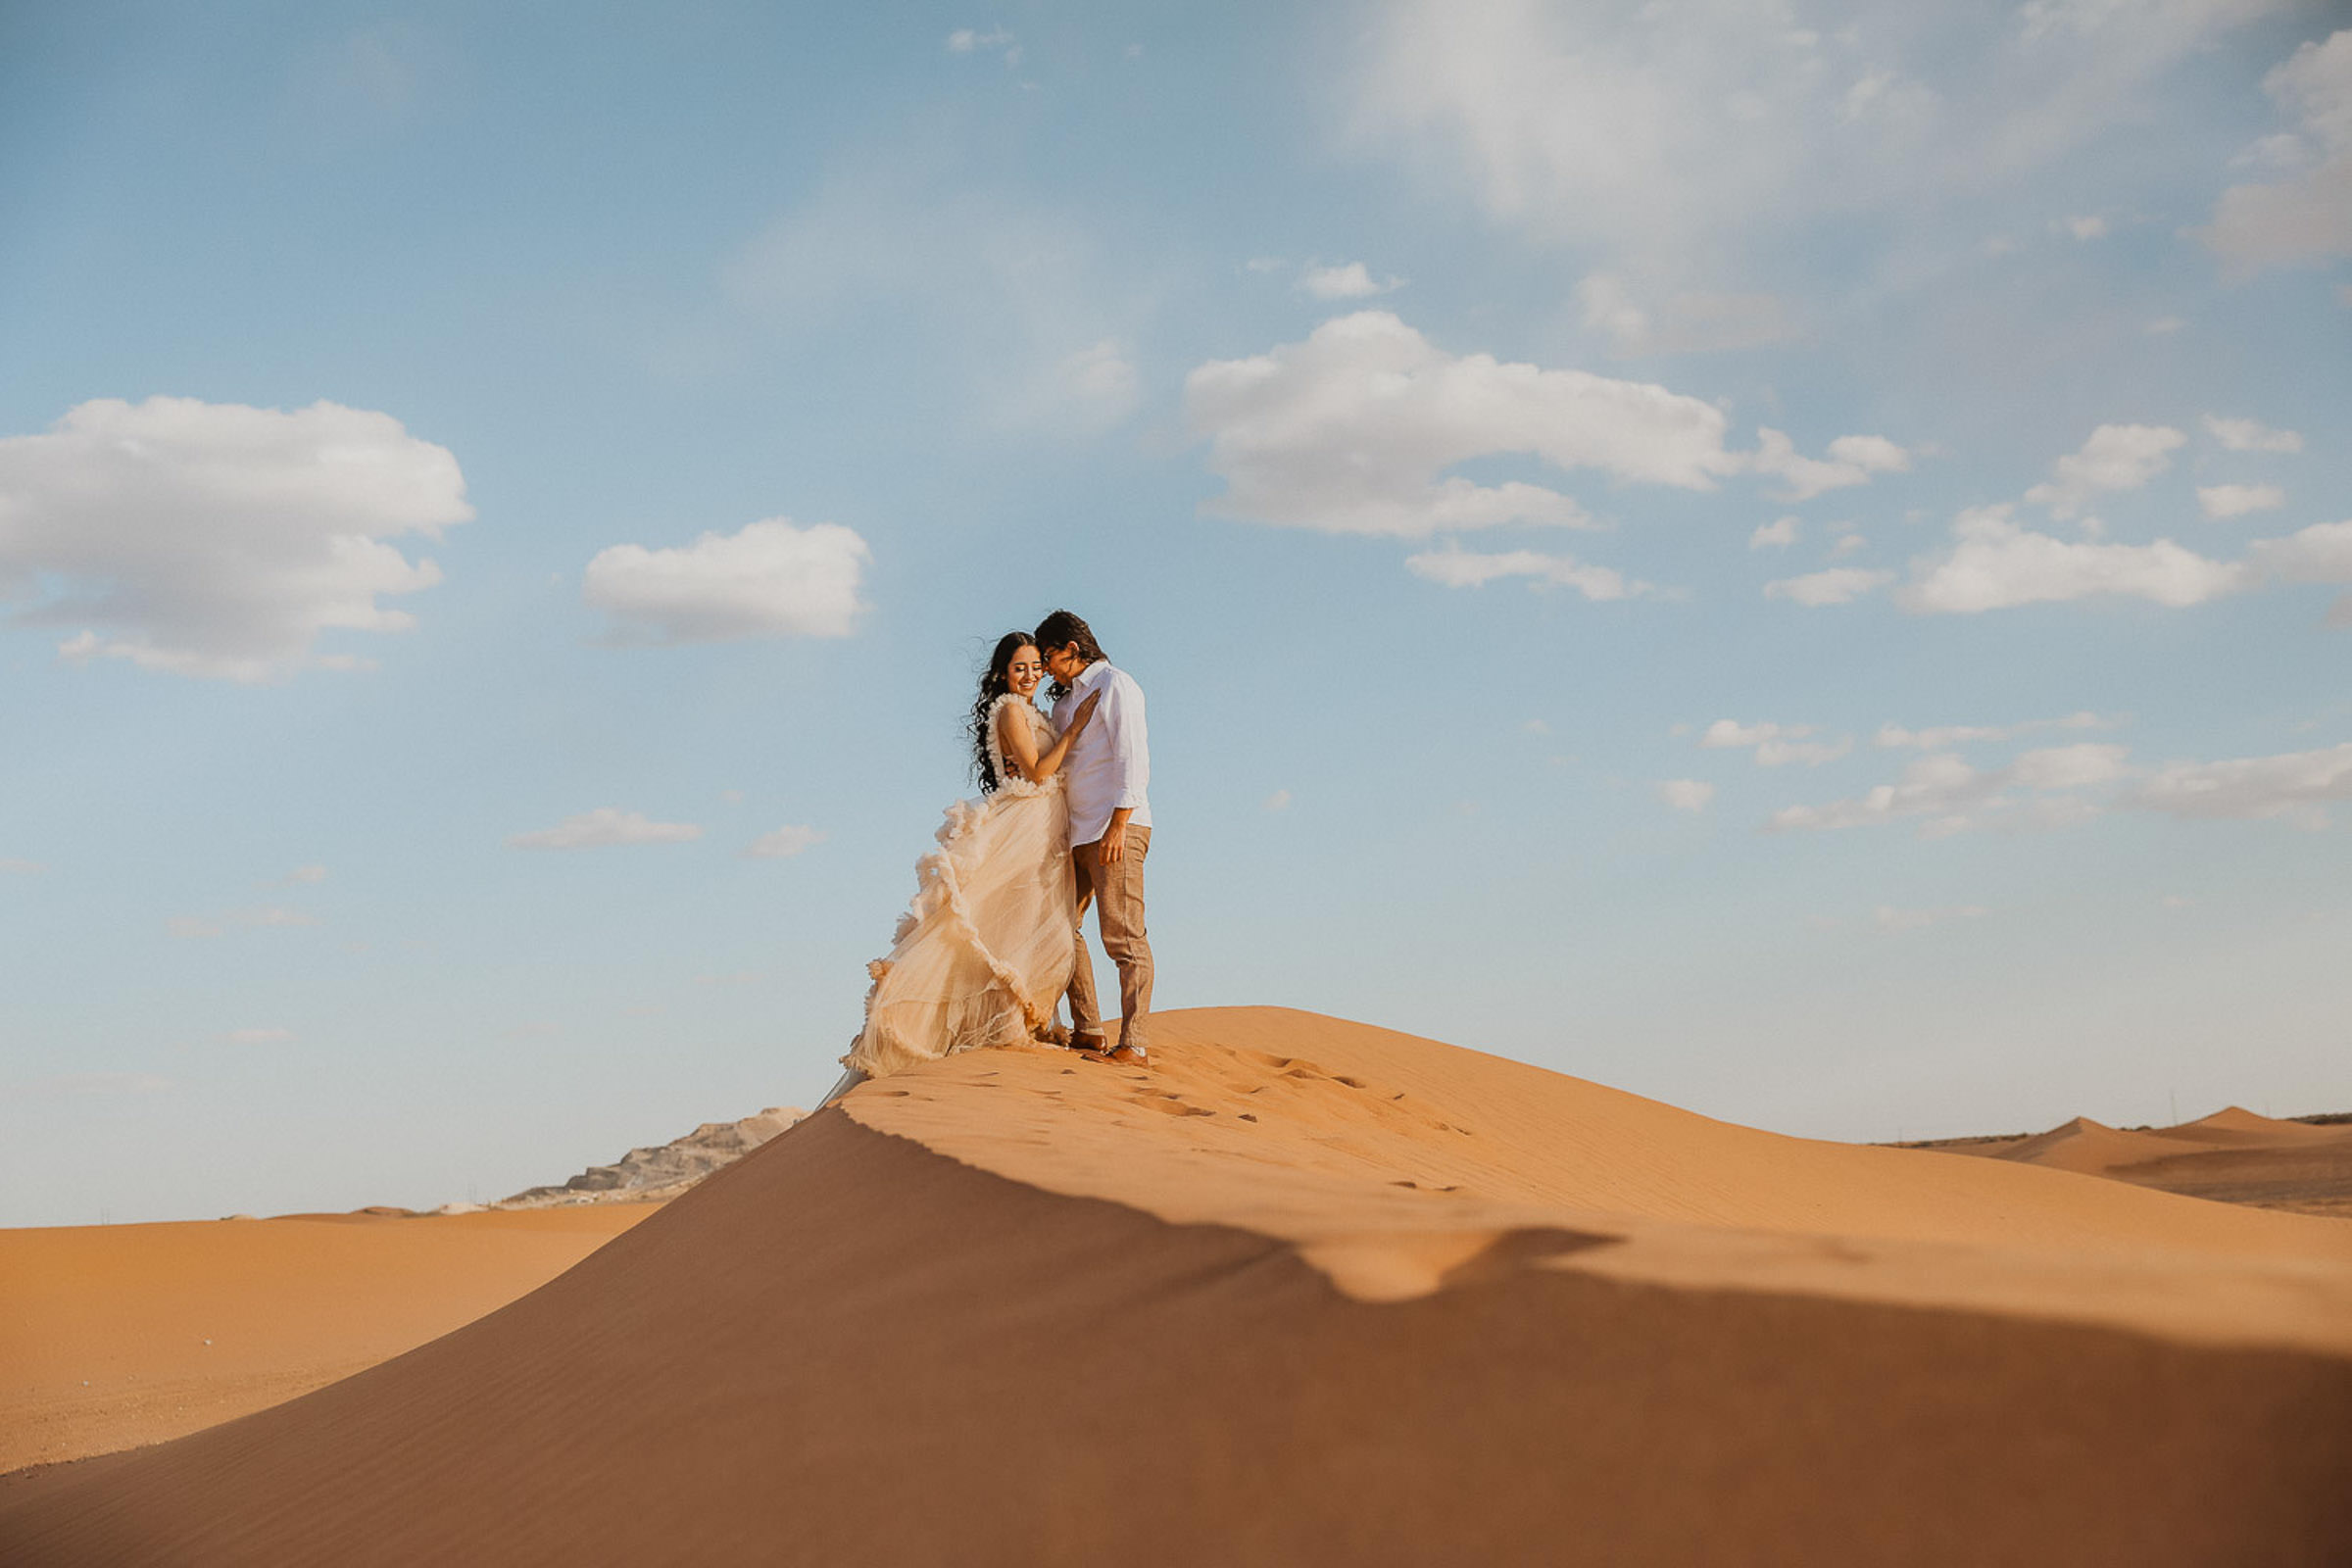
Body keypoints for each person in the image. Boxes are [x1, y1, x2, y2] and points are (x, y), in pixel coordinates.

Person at [832, 634, 1101, 1090]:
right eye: (1020, 668)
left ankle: (1022, 1019)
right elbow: (1037, 771)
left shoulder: (1030, 709)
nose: (1031, 674)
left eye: (1037, 666)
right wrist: (1074, 731)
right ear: (1002, 674)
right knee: (1010, 924)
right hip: (1026, 823)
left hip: (1045, 825)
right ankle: (1003, 1026)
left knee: (1036, 923)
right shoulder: (1012, 710)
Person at [1034, 609, 1153, 1067]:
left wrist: (1119, 824)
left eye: (1049, 657)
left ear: (1072, 650)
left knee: (1122, 936)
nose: (1046, 667)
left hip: (1115, 826)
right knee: (1063, 929)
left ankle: (1135, 1044)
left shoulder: (1116, 685)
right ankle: (1088, 1030)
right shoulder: (1066, 704)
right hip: (1076, 833)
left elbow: (1132, 757)